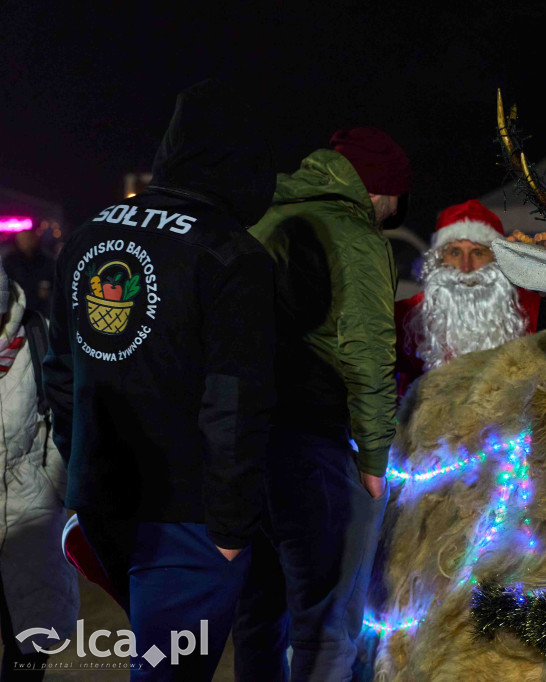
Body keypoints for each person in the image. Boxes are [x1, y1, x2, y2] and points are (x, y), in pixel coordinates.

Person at [41, 80, 277, 680]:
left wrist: (83, 467)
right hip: (187, 515)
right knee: (170, 670)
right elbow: (235, 405)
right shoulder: (231, 254)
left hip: (102, 497)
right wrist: (229, 529)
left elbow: (62, 374)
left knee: (156, 655)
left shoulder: (90, 235)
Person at [233, 127, 412, 681]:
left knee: (258, 616)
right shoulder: (357, 237)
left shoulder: (263, 218)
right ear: (380, 191)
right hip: (312, 445)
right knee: (327, 623)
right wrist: (375, 458)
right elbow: (366, 353)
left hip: (242, 443)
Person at [0, 263, 78, 680]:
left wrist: (53, 485)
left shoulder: (37, 333)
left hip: (30, 507)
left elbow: (63, 417)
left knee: (29, 643)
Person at [394, 199, 541, 399]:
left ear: (496, 259)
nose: (465, 267)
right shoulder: (406, 316)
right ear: (439, 259)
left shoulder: (535, 311)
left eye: (477, 252)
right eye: (455, 252)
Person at [3, 224, 55, 314]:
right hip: (17, 308)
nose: (27, 242)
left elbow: (54, 280)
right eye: (23, 239)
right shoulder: (10, 261)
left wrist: (48, 291)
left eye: (30, 239)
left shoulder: (46, 260)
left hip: (41, 310)